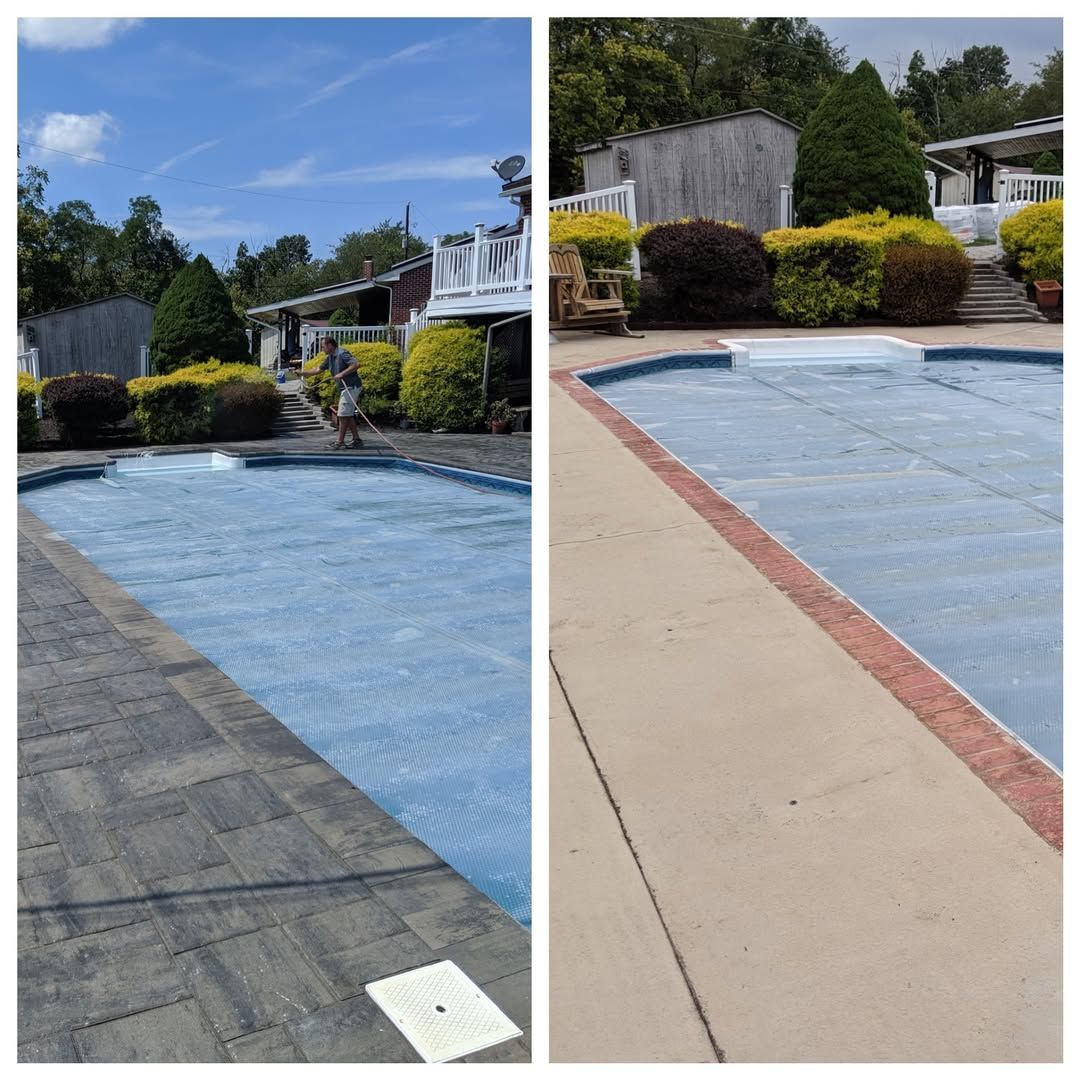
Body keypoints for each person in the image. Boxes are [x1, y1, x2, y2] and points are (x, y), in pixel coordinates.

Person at [310, 335, 363, 449]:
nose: (322, 349)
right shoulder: (330, 357)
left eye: (323, 346)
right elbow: (318, 370)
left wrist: (342, 374)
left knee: (342, 414)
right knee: (348, 414)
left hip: (351, 387)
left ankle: (339, 442)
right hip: (346, 388)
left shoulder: (342, 353)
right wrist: (302, 373)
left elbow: (356, 364)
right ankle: (356, 440)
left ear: (329, 345)